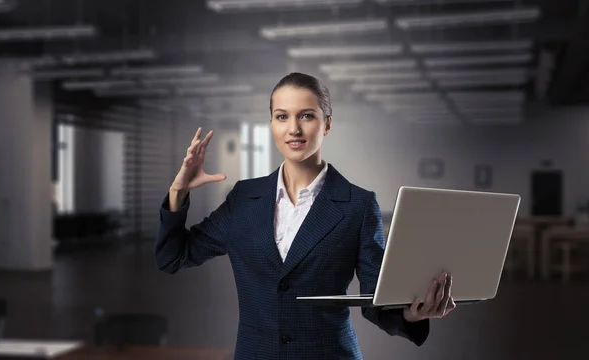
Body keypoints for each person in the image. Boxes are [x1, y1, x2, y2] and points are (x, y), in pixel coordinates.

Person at [155, 72, 456, 359]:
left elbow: (375, 298)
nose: (293, 129)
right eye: (282, 116)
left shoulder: (358, 205)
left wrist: (409, 313)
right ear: (271, 124)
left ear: (326, 124)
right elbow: (173, 257)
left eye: (307, 115)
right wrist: (177, 192)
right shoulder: (244, 198)